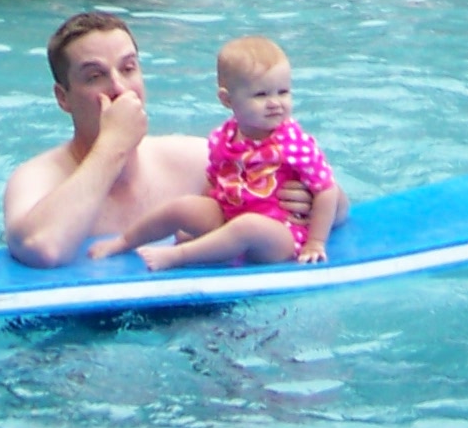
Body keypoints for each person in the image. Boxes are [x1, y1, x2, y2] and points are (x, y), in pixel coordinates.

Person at [101, 35, 345, 270]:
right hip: (230, 216)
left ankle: (177, 256)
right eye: (261, 94)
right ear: (227, 100)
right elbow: (214, 182)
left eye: (283, 92)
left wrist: (315, 242)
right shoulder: (223, 137)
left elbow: (326, 189)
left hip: (279, 234)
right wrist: (197, 219)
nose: (275, 102)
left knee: (248, 226)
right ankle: (124, 242)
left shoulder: (294, 143)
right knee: (183, 206)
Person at [3, 11, 209, 268]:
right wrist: (114, 144)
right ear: (63, 98)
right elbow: (43, 248)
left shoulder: (198, 163)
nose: (119, 88)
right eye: (95, 77)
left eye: (128, 69)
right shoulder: (36, 178)